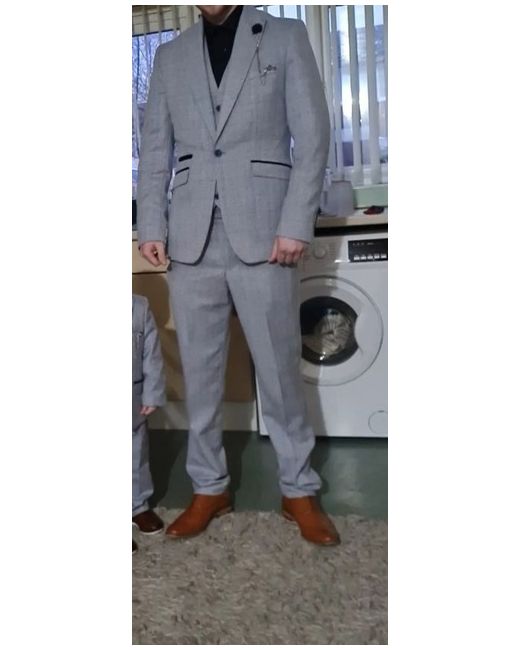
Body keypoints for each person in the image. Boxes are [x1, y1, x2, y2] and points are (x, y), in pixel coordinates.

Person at [137, 5, 339, 545]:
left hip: (268, 230)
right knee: (201, 375)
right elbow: (154, 148)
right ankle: (209, 487)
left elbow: (312, 136)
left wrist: (296, 222)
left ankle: (298, 488)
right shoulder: (169, 56)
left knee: (278, 371)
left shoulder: (286, 36)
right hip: (190, 235)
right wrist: (150, 223)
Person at [132, 294, 166, 553]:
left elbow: (151, 356)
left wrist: (152, 393)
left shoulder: (139, 307)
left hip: (132, 398)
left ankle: (137, 504)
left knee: (136, 453)